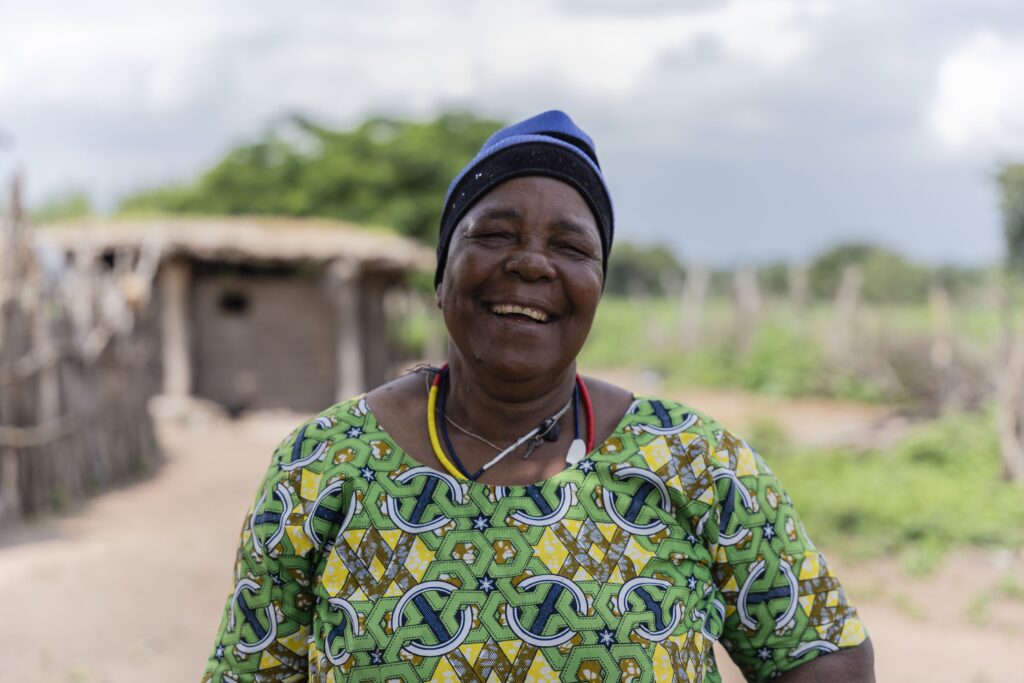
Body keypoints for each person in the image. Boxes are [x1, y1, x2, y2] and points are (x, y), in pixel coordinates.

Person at [203, 110, 874, 682]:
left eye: (570, 244)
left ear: (597, 288)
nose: (530, 262)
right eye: (495, 233)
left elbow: (825, 657)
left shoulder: (693, 461)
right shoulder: (322, 464)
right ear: (443, 276)